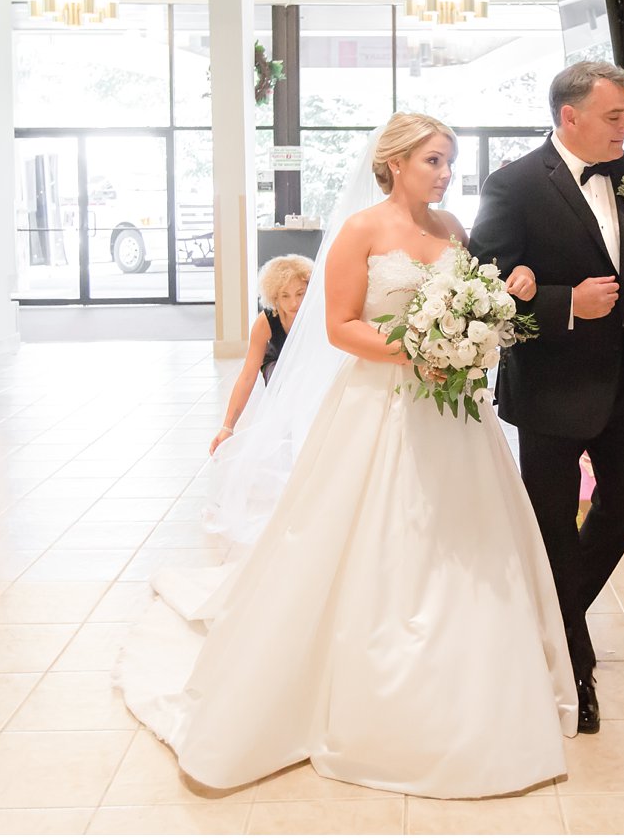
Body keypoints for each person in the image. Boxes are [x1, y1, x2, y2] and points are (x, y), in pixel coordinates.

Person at [115, 113, 576, 799]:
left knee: (468, 540)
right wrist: (420, 350)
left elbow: (478, 302)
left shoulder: (453, 230)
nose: (446, 173)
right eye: (434, 161)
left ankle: (470, 677)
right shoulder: (361, 231)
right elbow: (339, 327)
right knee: (371, 537)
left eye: (448, 161)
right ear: (393, 163)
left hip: (453, 411)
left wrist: (487, 322)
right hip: (379, 404)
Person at [468, 60, 624, 736]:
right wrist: (566, 304)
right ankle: (575, 671)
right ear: (570, 117)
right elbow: (485, 287)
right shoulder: (514, 184)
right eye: (615, 116)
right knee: (554, 529)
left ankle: (548, 624)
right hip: (550, 386)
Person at [208, 254, 312, 456]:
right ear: (274, 297)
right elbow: (247, 376)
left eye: (300, 293)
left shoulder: (317, 314)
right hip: (278, 367)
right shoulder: (265, 322)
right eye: (285, 296)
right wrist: (227, 428)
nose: (294, 303)